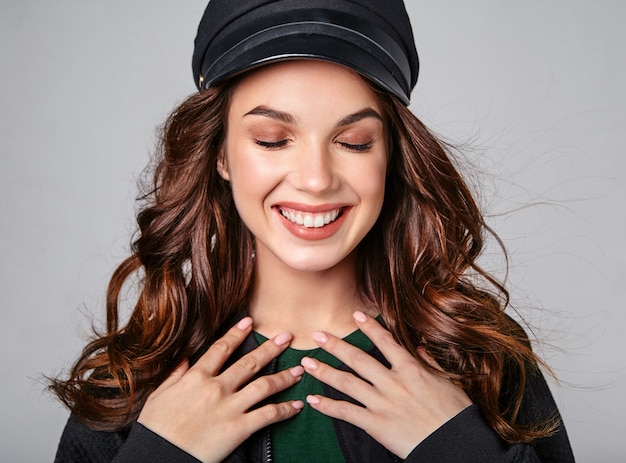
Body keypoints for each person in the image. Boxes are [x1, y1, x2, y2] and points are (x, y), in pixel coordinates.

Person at [51, 1, 575, 462]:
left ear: (391, 158)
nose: (316, 179)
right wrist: (159, 456)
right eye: (273, 139)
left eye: (353, 142)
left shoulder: (478, 353)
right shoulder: (139, 372)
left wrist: (459, 448)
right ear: (220, 156)